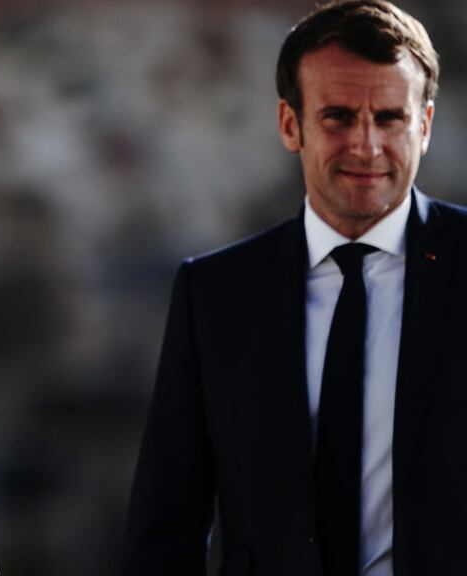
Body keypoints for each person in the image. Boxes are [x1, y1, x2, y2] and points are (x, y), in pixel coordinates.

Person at [122, 1, 467, 575]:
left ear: (424, 125)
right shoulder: (215, 295)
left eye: (389, 118)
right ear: (290, 124)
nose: (366, 146)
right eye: (338, 116)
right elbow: (166, 526)